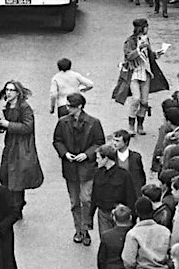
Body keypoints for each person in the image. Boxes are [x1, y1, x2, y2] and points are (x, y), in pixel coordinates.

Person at [53, 92, 106, 246]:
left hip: (87, 168)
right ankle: (79, 230)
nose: (67, 108)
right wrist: (65, 153)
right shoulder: (63, 122)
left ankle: (86, 229)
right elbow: (57, 140)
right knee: (75, 201)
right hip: (70, 168)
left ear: (80, 106)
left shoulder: (93, 123)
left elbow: (99, 142)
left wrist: (87, 154)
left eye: (70, 106)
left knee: (86, 199)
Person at [0, 80, 44, 219]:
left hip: (21, 147)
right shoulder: (9, 106)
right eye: (7, 90)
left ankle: (16, 209)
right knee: (6, 177)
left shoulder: (24, 107)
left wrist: (8, 124)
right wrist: (1, 125)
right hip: (10, 145)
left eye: (11, 90)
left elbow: (27, 127)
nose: (8, 93)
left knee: (17, 180)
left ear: (18, 92)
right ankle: (12, 207)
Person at [113, 18, 168, 136]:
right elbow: (128, 56)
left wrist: (157, 54)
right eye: (146, 26)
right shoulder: (129, 41)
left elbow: (149, 55)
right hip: (133, 73)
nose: (147, 29)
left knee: (144, 101)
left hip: (145, 72)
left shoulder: (146, 39)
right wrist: (139, 49)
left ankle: (140, 124)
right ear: (141, 28)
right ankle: (131, 125)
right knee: (136, 98)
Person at [90, 144, 136, 236]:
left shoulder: (124, 175)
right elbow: (94, 195)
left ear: (106, 158)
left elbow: (131, 196)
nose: (96, 161)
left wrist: (133, 218)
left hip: (120, 214)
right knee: (106, 239)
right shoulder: (98, 173)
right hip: (103, 213)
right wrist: (90, 216)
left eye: (98, 158)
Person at [121, 197, 170, 269]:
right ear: (152, 210)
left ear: (137, 212)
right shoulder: (165, 231)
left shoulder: (133, 234)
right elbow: (172, 253)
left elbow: (129, 261)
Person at [112, 129, 147, 198]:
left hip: (132, 193)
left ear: (126, 142)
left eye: (117, 141)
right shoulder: (111, 157)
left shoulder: (136, 157)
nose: (114, 143)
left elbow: (141, 177)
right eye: (114, 140)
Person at [97, 204, 132, 269]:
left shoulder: (106, 236)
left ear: (114, 218)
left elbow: (101, 259)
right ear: (130, 217)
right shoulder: (134, 234)